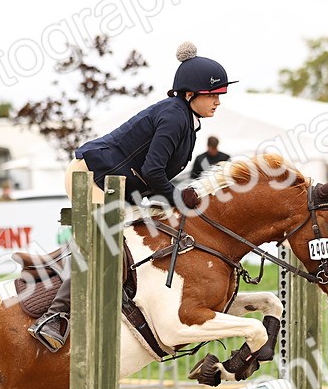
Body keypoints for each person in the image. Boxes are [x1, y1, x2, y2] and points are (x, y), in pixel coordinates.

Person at [29, 40, 233, 352]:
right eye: (213, 95)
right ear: (190, 94)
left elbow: (153, 174)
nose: (219, 101)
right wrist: (177, 197)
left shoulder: (187, 120)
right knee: (105, 242)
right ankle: (55, 316)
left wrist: (177, 198)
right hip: (92, 176)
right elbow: (153, 170)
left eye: (221, 95)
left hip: (120, 185)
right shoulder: (175, 116)